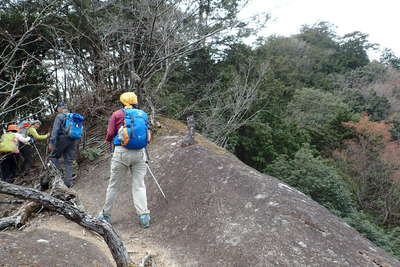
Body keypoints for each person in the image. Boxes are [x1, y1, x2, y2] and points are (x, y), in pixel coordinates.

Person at [98, 92, 152, 228]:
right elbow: (148, 135)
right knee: (139, 185)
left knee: (114, 186)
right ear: (135, 101)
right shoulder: (143, 114)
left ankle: (105, 215)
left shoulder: (117, 114)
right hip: (140, 153)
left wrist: (109, 141)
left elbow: (110, 134)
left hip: (121, 152)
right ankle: (144, 216)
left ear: (122, 102)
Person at [48, 103, 77, 188]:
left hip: (62, 139)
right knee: (69, 161)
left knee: (53, 157)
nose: (57, 111)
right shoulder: (72, 116)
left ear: (59, 108)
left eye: (57, 109)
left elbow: (55, 130)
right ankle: (68, 182)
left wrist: (52, 142)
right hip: (73, 139)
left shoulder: (60, 116)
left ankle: (59, 178)